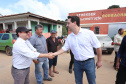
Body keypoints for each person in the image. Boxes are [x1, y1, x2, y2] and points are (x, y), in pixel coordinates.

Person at [51, 16, 102, 84]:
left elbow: (98, 47)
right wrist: (54, 54)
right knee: (78, 82)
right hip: (77, 63)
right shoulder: (69, 37)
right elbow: (64, 48)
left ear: (74, 23)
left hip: (89, 62)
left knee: (92, 82)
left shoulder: (88, 33)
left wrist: (99, 61)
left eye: (68, 23)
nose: (67, 25)